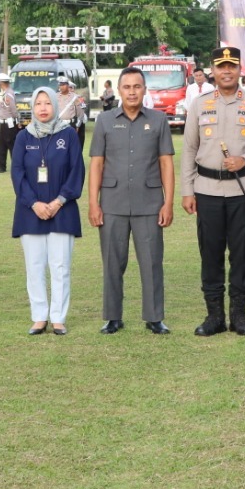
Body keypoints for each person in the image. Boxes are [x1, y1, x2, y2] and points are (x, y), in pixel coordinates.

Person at [180, 46, 245, 335]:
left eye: (232, 66)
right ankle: (214, 317)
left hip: (243, 190)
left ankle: (240, 315)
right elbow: (189, 149)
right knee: (210, 253)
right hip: (206, 189)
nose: (226, 71)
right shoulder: (199, 103)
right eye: (221, 66)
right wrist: (187, 190)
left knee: (242, 253)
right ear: (213, 69)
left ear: (239, 70)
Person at [88, 67, 175, 334]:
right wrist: (93, 203)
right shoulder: (104, 121)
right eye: (127, 87)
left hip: (149, 203)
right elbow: (97, 164)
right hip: (112, 203)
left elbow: (166, 163)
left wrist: (168, 202)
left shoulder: (159, 120)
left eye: (137, 86)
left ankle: (154, 317)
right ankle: (113, 317)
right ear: (119, 90)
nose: (132, 92)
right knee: (113, 262)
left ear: (144, 89)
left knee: (151, 262)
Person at [11, 86, 85, 335]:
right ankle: (39, 316)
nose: (43, 108)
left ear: (55, 105)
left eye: (48, 103)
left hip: (61, 210)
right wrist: (34, 203)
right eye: (38, 103)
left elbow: (77, 171)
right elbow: (17, 173)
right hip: (31, 211)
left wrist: (58, 201)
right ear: (32, 107)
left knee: (60, 266)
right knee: (34, 265)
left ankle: (58, 318)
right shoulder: (24, 137)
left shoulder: (69, 135)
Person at [55, 76, 87, 148]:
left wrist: (77, 126)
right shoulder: (55, 96)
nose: (61, 87)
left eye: (63, 85)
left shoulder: (75, 97)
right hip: (58, 124)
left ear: (67, 85)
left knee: (71, 146)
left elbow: (81, 112)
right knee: (59, 145)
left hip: (70, 125)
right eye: (60, 85)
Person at [0, 73, 18, 172]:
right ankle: (2, 166)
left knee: (11, 144)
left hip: (9, 122)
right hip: (3, 122)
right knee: (2, 145)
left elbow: (13, 108)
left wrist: (16, 118)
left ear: (1, 83)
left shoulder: (8, 93)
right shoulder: (4, 93)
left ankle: (16, 165)